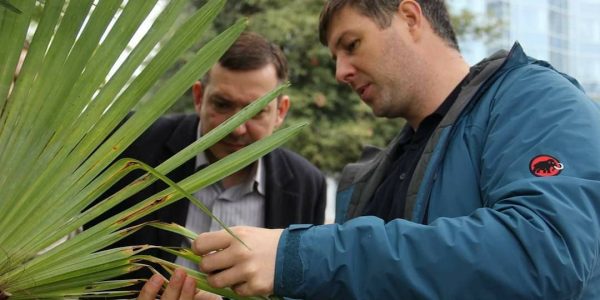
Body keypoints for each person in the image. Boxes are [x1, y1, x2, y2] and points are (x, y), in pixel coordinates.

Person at [141, 0, 600, 299]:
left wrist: (296, 255)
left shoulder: (534, 100)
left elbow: (546, 255)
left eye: (352, 44)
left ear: (409, 16)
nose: (340, 71)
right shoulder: (374, 173)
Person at [90, 31, 326, 292]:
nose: (236, 128)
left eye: (256, 110)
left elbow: (302, 288)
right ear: (199, 97)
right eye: (222, 105)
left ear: (280, 111)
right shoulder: (133, 147)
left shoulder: (307, 185)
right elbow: (96, 271)